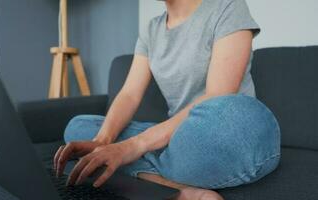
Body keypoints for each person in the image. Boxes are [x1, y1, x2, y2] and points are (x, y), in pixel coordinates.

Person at [53, 0, 281, 199]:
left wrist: (133, 146)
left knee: (209, 126)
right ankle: (176, 188)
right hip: (180, 138)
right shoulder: (151, 30)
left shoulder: (228, 6)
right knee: (79, 128)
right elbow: (129, 94)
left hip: (231, 129)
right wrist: (103, 140)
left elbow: (217, 95)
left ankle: (146, 162)